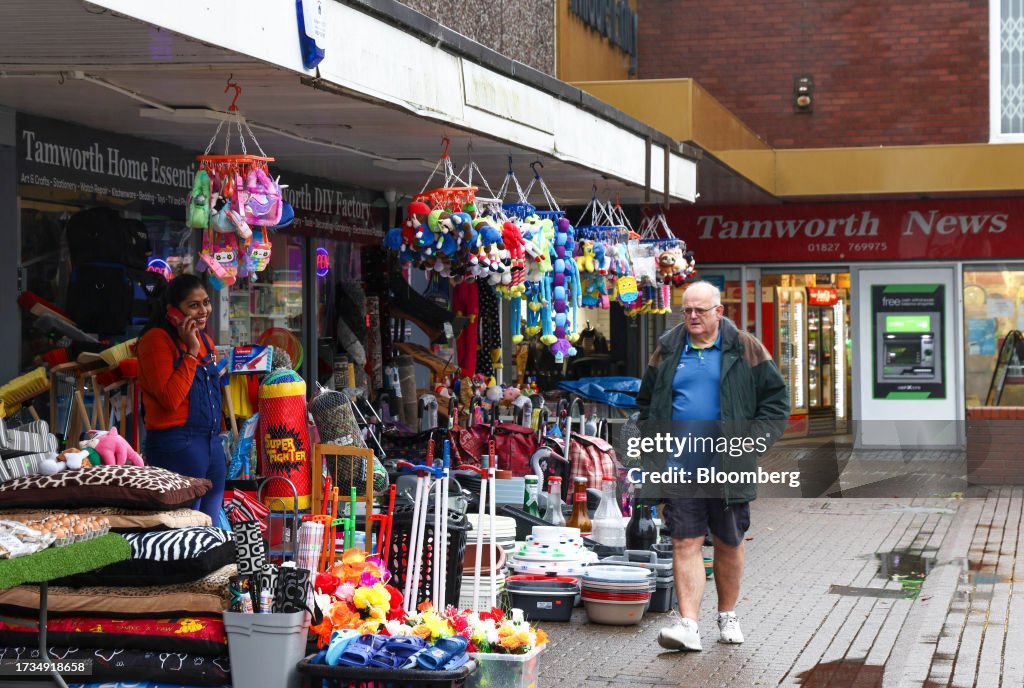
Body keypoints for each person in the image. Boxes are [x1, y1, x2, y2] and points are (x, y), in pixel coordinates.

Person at [636, 281, 789, 651]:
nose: (691, 317)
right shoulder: (669, 348)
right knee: (684, 540)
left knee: (728, 541)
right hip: (678, 467)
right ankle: (688, 624)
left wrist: (752, 442)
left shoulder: (744, 347)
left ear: (718, 311)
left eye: (700, 311)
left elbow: (776, 401)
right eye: (686, 310)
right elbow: (646, 404)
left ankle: (727, 615)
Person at [137, 274, 225, 521]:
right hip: (176, 444)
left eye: (206, 302)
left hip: (210, 443)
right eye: (193, 305)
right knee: (182, 527)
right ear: (173, 310)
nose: (203, 311)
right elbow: (169, 398)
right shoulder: (156, 340)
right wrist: (191, 352)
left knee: (210, 525)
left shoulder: (205, 339)